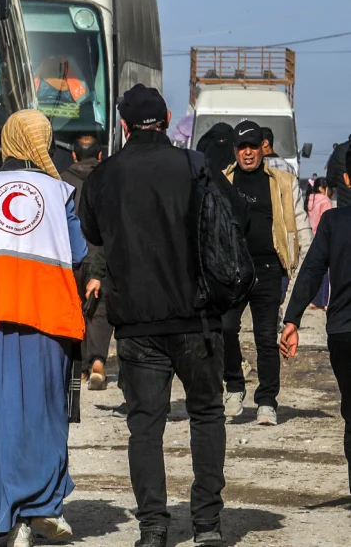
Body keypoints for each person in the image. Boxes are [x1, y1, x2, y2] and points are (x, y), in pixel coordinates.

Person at [79, 84, 233, 547]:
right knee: (207, 414)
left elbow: (92, 232)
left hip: (136, 323)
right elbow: (230, 226)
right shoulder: (195, 166)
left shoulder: (103, 176)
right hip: (197, 317)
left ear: (124, 125)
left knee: (145, 424)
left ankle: (153, 526)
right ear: (167, 117)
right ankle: (207, 523)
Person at [0, 109, 86, 547]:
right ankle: (43, 508)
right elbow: (80, 249)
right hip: (50, 317)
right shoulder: (60, 191)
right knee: (47, 415)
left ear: (8, 139)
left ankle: (3, 520)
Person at [221, 120, 312, 425]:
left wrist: (306, 262)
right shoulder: (222, 181)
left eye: (252, 146)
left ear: (263, 148)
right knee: (225, 328)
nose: (247, 153)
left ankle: (267, 402)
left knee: (265, 337)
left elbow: (300, 226)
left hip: (269, 268)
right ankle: (234, 386)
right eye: (241, 147)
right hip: (233, 271)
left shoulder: (283, 181)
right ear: (235, 150)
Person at [280, 148, 351, 496]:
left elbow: (311, 271)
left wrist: (291, 319)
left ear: (346, 180)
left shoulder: (335, 223)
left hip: (343, 334)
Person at [62, 134, 113, 390]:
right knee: (100, 311)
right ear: (100, 155)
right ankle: (97, 362)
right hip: (101, 254)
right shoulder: (110, 180)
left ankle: (79, 368)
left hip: (71, 257)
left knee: (76, 307)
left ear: (73, 155)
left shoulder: (60, 181)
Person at [307, 178, 335, 310]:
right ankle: (324, 302)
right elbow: (328, 219)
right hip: (324, 236)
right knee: (325, 271)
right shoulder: (325, 201)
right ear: (322, 188)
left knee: (315, 270)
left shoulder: (310, 199)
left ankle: (313, 300)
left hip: (312, 236)